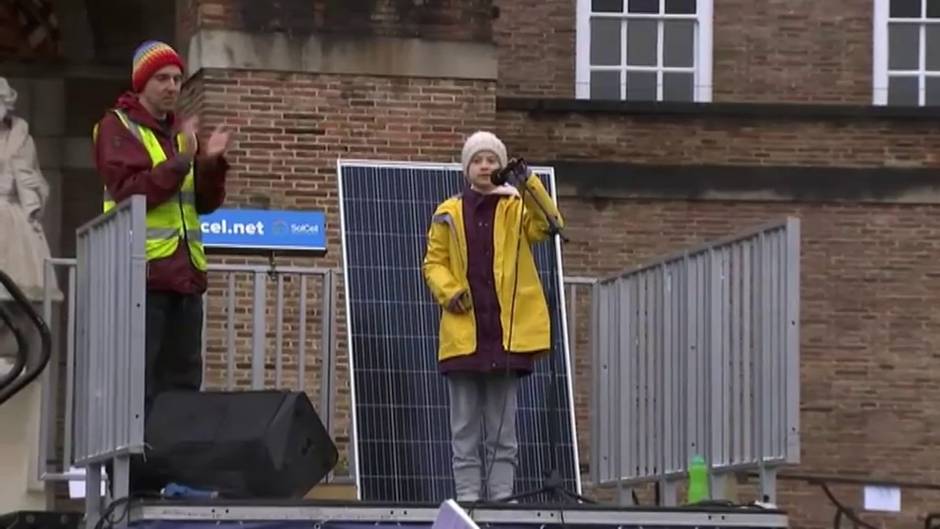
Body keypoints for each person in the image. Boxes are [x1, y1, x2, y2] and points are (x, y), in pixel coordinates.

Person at [422, 131, 564, 502]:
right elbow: (434, 262)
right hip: (464, 335)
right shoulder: (447, 212)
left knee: (503, 432)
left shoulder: (517, 207)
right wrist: (450, 292)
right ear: (467, 168)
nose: (485, 166)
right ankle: (468, 501)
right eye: (478, 160)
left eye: (492, 161)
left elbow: (550, 224)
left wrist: (528, 182)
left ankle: (502, 501)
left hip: (506, 334)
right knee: (465, 428)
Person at [92, 40, 231, 415]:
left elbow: (203, 204)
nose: (172, 86)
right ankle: (139, 473)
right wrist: (183, 160)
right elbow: (129, 192)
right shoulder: (116, 127)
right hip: (143, 276)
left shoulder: (179, 136)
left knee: (184, 385)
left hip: (185, 278)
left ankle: (173, 468)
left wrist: (210, 164)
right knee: (140, 387)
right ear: (141, 83)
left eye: (177, 78)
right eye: (162, 78)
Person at [0, 77, 60, 375]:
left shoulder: (21, 138)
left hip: (11, 221)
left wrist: (33, 201)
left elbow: (31, 179)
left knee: (17, 293)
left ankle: (14, 357)